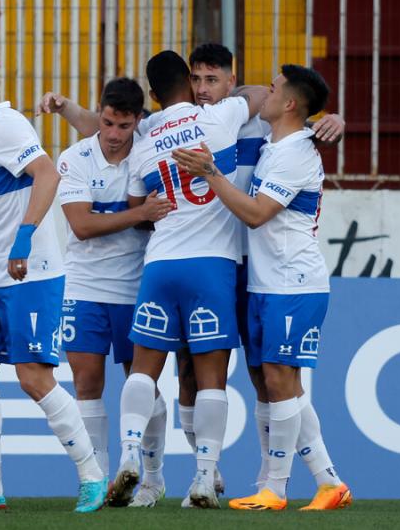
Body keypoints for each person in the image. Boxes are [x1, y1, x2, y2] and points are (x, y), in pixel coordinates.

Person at [39, 43, 345, 504]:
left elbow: (121, 140)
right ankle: (213, 475)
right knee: (202, 374)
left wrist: (331, 118)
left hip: (224, 266)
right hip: (222, 265)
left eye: (213, 80)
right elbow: (115, 129)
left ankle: (276, 477)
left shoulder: (248, 127)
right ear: (187, 82)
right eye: (196, 80)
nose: (204, 89)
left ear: (232, 81)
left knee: (269, 377)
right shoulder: (221, 118)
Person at [172, 63, 352, 511]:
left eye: (274, 89)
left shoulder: (293, 151)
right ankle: (327, 482)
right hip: (264, 282)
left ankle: (276, 486)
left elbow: (256, 214)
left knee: (278, 378)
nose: (264, 94)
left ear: (289, 103)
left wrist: (210, 174)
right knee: (275, 382)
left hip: (292, 282)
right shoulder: (279, 140)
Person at [0, 52, 106, 513]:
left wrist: (24, 237)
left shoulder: (7, 125)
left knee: (34, 378)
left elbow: (47, 173)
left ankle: (92, 475)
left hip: (29, 274)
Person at [108, 50, 267, 509]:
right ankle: (202, 477)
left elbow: (139, 208)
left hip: (159, 264)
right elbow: (260, 96)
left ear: (154, 97)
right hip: (212, 264)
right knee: (211, 377)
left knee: (143, 369)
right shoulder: (219, 116)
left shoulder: (145, 138)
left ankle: (129, 456)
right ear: (188, 84)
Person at [56, 77, 174, 507]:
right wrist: (140, 212)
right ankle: (98, 480)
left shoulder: (151, 155)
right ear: (100, 114)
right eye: (107, 123)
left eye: (123, 126)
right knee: (86, 383)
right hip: (84, 286)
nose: (113, 134)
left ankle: (154, 477)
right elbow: (82, 226)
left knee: (142, 383)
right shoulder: (75, 158)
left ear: (137, 122)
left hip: (136, 287)